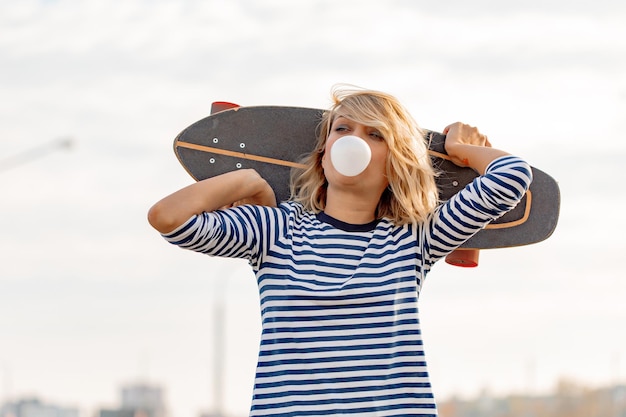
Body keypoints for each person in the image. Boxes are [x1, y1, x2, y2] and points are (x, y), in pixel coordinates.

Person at [148, 86, 532, 416]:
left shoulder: (414, 237)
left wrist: (461, 149)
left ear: (395, 163)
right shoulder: (276, 230)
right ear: (324, 154)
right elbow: (168, 217)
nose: (354, 142)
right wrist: (247, 180)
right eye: (343, 129)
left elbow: (513, 176)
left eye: (375, 135)